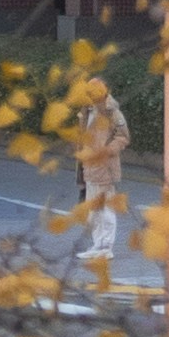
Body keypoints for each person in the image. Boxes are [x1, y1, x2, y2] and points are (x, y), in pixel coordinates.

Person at [69, 62, 131, 277]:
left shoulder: (113, 112)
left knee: (105, 208)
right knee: (93, 208)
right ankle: (97, 246)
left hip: (104, 167)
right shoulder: (86, 111)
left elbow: (124, 137)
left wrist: (107, 151)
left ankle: (106, 248)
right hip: (88, 167)